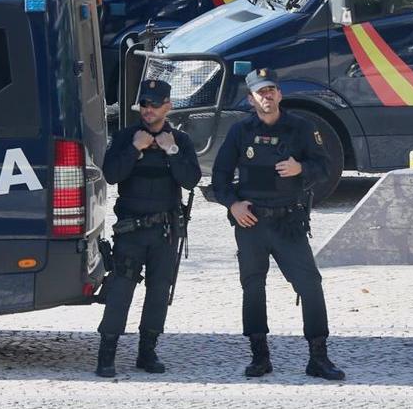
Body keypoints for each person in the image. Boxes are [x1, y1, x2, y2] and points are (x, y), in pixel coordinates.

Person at [211, 68, 345, 381]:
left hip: (289, 222)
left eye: (271, 89)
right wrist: (232, 204)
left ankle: (318, 357)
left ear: (279, 94)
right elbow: (219, 177)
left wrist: (301, 168)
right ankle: (259, 356)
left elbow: (325, 167)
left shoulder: (300, 127)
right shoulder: (240, 131)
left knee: (310, 286)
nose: (267, 96)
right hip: (252, 223)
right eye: (261, 92)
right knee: (253, 288)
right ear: (251, 98)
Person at [95, 79, 200, 378]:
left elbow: (190, 180)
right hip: (131, 231)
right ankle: (107, 353)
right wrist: (134, 149)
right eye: (144, 104)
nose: (148, 109)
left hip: (165, 232)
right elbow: (112, 174)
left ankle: (147, 351)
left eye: (154, 104)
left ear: (168, 106)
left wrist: (172, 151)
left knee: (158, 292)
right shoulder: (126, 136)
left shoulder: (180, 141)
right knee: (120, 291)